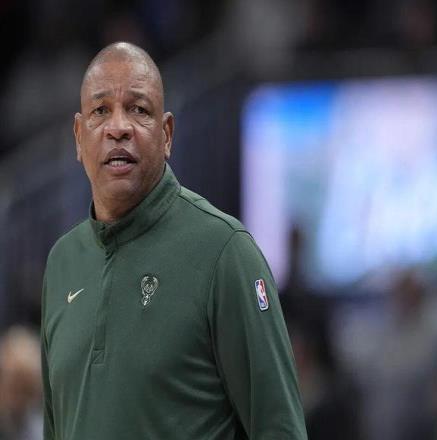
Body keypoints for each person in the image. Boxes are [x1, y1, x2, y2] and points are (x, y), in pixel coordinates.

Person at [41, 42, 307, 440]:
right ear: (79, 137)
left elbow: (279, 429)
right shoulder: (62, 262)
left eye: (138, 109)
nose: (118, 127)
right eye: (101, 111)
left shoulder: (225, 251)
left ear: (166, 135)